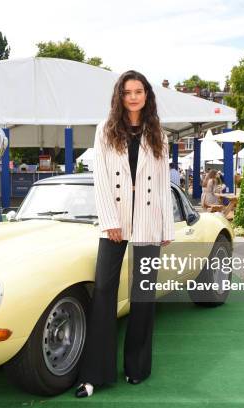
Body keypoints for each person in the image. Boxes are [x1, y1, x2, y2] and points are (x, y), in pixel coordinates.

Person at [75, 70, 174, 398]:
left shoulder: (158, 131)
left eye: (139, 91)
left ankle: (137, 368)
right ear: (120, 96)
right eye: (127, 91)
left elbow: (162, 184)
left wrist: (166, 227)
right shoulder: (105, 130)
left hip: (148, 219)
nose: (133, 96)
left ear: (147, 95)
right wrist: (109, 221)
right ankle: (94, 375)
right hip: (114, 221)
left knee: (143, 293)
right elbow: (100, 179)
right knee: (103, 291)